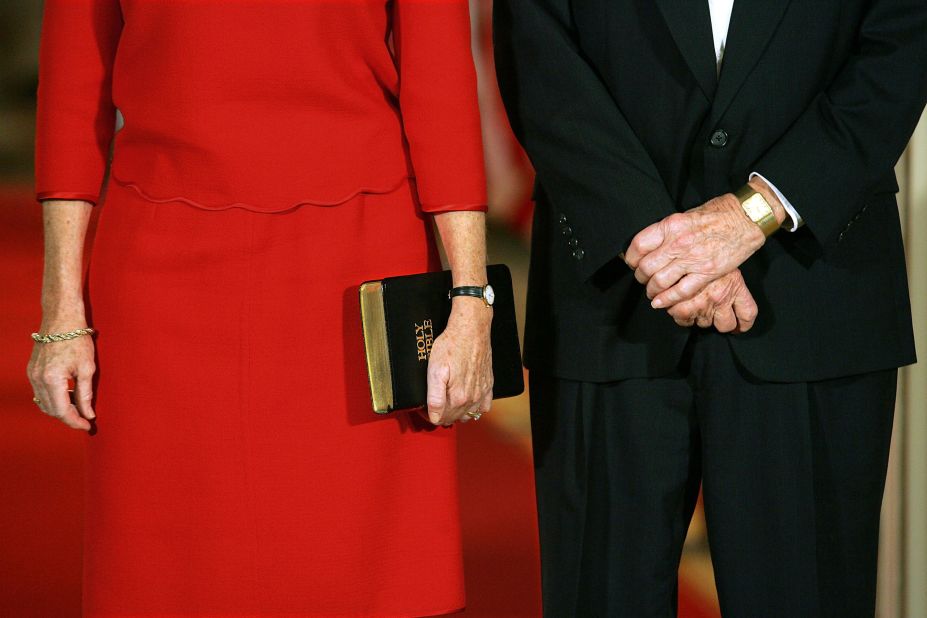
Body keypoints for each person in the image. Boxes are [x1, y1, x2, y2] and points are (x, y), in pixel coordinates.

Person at [27, 1, 493, 616]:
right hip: (161, 271)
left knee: (361, 571)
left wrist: (470, 298)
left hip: (357, 271)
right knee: (164, 570)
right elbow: (72, 89)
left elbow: (441, 89)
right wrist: (61, 314)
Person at [494, 0, 927, 615]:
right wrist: (668, 248)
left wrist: (758, 211)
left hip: (812, 293)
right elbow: (541, 59)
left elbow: (900, 44)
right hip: (612, 299)